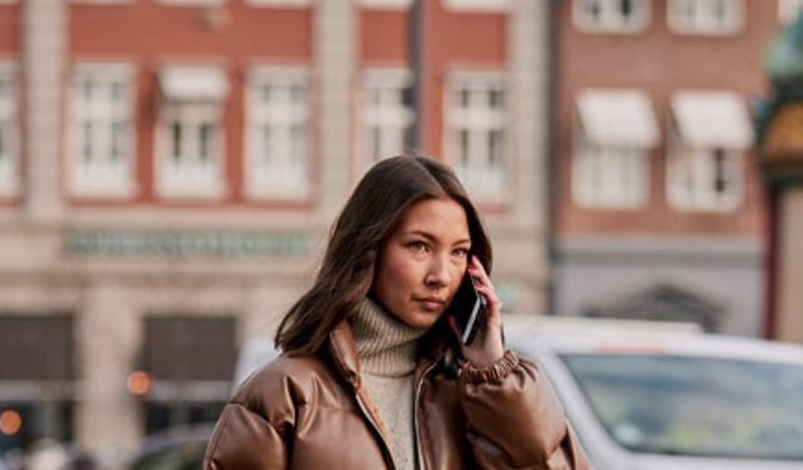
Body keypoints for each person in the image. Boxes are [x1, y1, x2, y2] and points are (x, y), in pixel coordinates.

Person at [204, 154, 591, 469]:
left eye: (458, 252)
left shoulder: (481, 397)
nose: (441, 276)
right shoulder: (284, 395)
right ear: (369, 248)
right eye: (420, 246)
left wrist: (495, 376)